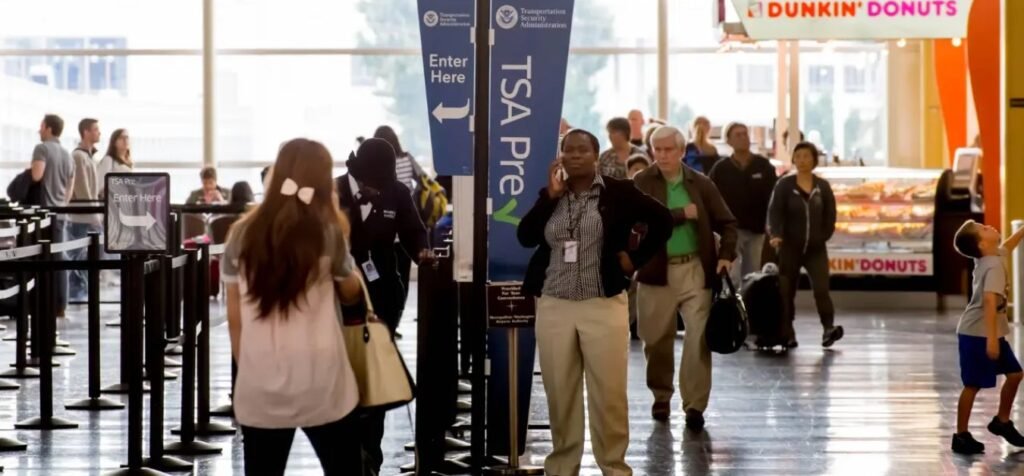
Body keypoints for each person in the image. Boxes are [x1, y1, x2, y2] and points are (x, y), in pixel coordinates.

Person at [518, 128, 672, 476]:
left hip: (602, 304)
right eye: (567, 150)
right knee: (561, 393)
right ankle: (562, 466)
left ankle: (614, 467)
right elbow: (525, 237)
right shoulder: (552, 195)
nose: (573, 156)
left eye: (581, 150)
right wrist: (550, 197)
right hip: (555, 305)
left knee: (608, 394)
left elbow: (662, 221)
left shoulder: (619, 193)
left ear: (595, 155)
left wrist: (635, 259)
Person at [222, 138, 365, 475]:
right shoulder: (328, 233)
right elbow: (351, 293)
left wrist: (251, 369)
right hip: (322, 379)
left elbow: (235, 319)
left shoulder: (240, 235)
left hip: (260, 383)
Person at [633, 125, 737, 431]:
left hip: (694, 269)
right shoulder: (642, 182)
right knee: (655, 340)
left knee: (698, 339)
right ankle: (661, 394)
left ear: (681, 151)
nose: (662, 155)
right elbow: (636, 224)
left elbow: (728, 223)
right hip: (654, 272)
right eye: (658, 149)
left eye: (669, 150)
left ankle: (694, 404)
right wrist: (679, 214)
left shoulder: (700, 184)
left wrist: (726, 255)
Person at [335, 138, 428, 475]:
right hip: (337, 299)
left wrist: (423, 252)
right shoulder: (331, 193)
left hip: (383, 293)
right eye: (372, 184)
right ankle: (345, 456)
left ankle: (369, 460)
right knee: (343, 374)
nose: (377, 190)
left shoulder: (398, 192)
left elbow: (414, 231)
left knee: (374, 376)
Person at [950, 219, 1024, 455]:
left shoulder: (994, 255)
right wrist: (991, 339)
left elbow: (1010, 245)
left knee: (1015, 374)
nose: (989, 226)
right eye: (984, 228)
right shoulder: (992, 266)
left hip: (990, 333)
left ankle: (1002, 421)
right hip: (978, 334)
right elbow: (990, 303)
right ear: (982, 244)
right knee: (972, 385)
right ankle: (961, 435)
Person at [767, 142, 843, 349]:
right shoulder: (784, 185)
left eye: (806, 156)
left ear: (814, 160)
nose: (802, 160)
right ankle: (787, 332)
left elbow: (830, 214)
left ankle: (828, 328)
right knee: (786, 291)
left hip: (816, 249)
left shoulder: (822, 187)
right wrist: (776, 234)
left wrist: (824, 235)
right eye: (798, 156)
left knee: (821, 289)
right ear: (793, 159)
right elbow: (775, 212)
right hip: (789, 247)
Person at [709, 122, 777, 285]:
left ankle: (749, 308)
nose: (743, 138)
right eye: (737, 135)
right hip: (731, 231)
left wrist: (772, 226)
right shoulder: (720, 168)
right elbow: (711, 197)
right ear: (729, 141)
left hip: (757, 229)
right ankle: (733, 309)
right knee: (732, 276)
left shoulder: (764, 166)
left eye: (745, 134)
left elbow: (774, 197)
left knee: (752, 275)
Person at [32, 114, 75, 316]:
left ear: (49, 129)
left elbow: (36, 175)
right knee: (60, 258)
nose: (39, 130)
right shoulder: (67, 154)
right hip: (62, 212)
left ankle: (47, 304)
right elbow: (69, 188)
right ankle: (60, 305)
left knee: (46, 260)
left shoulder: (42, 149)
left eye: (41, 126)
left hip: (46, 215)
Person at [68, 118, 102, 302]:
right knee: (78, 254)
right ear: (86, 132)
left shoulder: (89, 156)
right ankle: (77, 293)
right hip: (82, 216)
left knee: (86, 254)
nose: (99, 133)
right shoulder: (79, 156)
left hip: (89, 214)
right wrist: (94, 214)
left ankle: (83, 291)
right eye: (96, 129)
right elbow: (82, 189)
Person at [97, 128, 133, 197]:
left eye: (127, 137)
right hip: (113, 202)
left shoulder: (129, 162)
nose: (125, 140)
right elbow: (100, 185)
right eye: (121, 138)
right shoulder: (108, 160)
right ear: (114, 142)